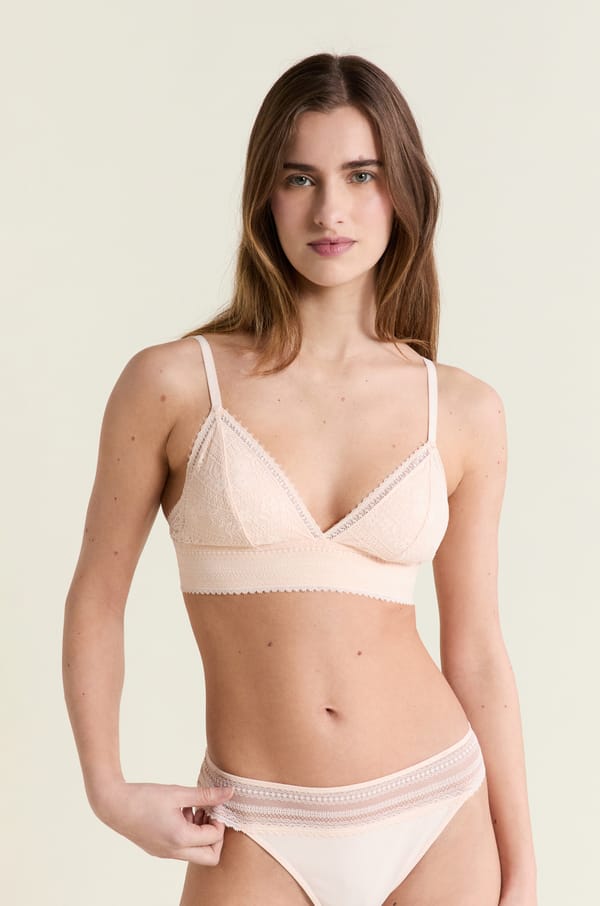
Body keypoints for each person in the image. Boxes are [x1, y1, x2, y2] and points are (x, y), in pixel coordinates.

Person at [62, 53, 537, 906]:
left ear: (402, 192)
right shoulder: (174, 384)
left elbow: (476, 651)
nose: (330, 210)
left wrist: (523, 867)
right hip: (255, 820)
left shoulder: (463, 409)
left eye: (361, 174)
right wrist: (109, 790)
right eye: (299, 178)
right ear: (265, 197)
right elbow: (98, 595)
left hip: (438, 807)